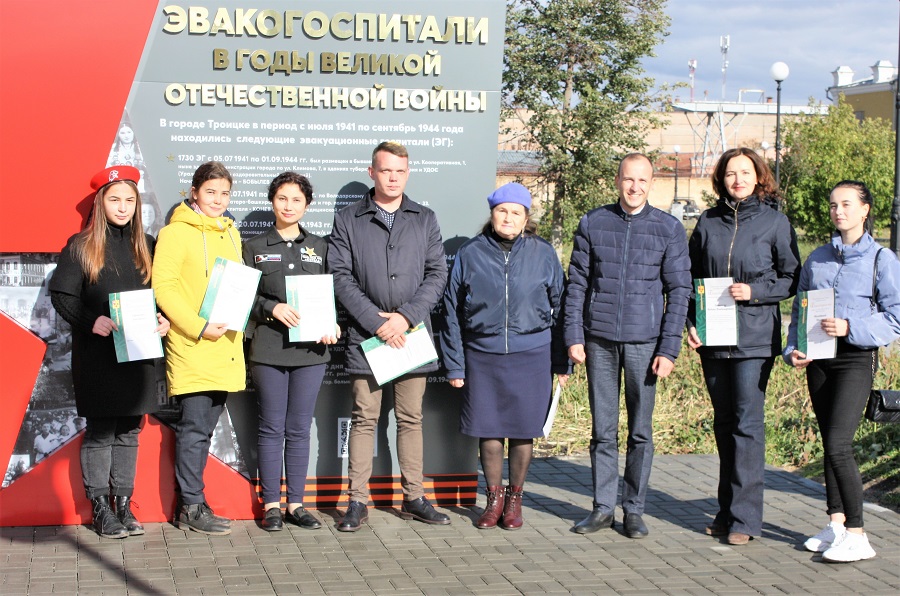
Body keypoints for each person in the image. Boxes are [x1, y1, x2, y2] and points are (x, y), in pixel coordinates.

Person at [563, 153, 692, 539]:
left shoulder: (668, 228)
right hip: (599, 340)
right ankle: (603, 509)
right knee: (603, 431)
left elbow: (679, 291)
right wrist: (573, 335)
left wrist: (669, 349)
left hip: (645, 343)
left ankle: (633, 510)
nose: (634, 187)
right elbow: (577, 283)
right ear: (617, 180)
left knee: (640, 432)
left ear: (652, 183)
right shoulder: (593, 222)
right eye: (628, 179)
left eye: (642, 180)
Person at [328, 141, 449, 532]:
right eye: (386, 170)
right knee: (364, 419)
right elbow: (340, 276)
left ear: (407, 173)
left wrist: (406, 317)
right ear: (372, 172)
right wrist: (376, 321)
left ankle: (414, 497)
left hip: (411, 336)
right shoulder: (348, 219)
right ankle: (357, 502)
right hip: (368, 337)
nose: (393, 178)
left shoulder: (425, 218)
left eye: (400, 171)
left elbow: (437, 274)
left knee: (411, 419)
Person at [686, 147, 800, 546]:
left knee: (747, 426)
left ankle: (745, 520)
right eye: (731, 173)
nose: (738, 179)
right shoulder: (707, 222)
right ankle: (726, 511)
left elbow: (791, 278)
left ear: (758, 177)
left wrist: (754, 292)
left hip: (754, 340)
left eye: (745, 172)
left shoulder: (775, 222)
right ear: (721, 179)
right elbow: (691, 278)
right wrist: (691, 323)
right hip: (713, 339)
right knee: (724, 424)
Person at [440, 183, 570, 530]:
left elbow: (562, 307)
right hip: (483, 354)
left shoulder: (543, 253)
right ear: (492, 214)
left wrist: (562, 361)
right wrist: (455, 363)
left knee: (524, 430)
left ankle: (515, 500)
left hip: (533, 354)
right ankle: (493, 499)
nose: (508, 218)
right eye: (502, 211)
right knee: (490, 429)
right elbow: (451, 309)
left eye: (515, 212)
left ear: (526, 218)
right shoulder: (471, 253)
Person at [49, 165, 169, 539]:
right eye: (114, 199)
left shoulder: (147, 245)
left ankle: (123, 505)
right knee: (101, 432)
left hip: (139, 357)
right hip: (99, 357)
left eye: (129, 200)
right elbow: (62, 296)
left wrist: (164, 320)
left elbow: (163, 296)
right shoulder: (81, 246)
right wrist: (91, 321)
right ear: (101, 203)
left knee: (130, 430)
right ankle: (100, 508)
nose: (122, 207)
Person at [785, 181, 900, 562]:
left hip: (855, 358)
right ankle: (835, 525)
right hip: (818, 360)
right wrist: (792, 349)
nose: (839, 211)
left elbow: (896, 317)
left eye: (847, 204)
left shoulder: (882, 259)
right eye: (834, 205)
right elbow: (800, 310)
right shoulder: (818, 258)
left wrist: (851, 327)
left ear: (865, 210)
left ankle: (858, 534)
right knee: (828, 442)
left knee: (839, 443)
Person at [243, 172, 340, 532]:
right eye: (282, 198)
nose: (288, 206)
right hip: (268, 349)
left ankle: (296, 504)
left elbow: (334, 293)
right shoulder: (253, 247)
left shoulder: (321, 246)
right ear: (272, 201)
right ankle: (271, 504)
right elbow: (243, 298)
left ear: (307, 205)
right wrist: (271, 307)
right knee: (271, 427)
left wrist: (334, 324)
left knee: (299, 428)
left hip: (311, 352)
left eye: (296, 199)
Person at [152, 161, 245, 535]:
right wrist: (198, 326)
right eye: (210, 192)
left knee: (204, 430)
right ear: (194, 192)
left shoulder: (231, 232)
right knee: (193, 429)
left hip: (224, 345)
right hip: (192, 344)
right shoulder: (175, 233)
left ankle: (195, 500)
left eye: (224, 193)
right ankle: (190, 506)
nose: (218, 200)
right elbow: (164, 288)